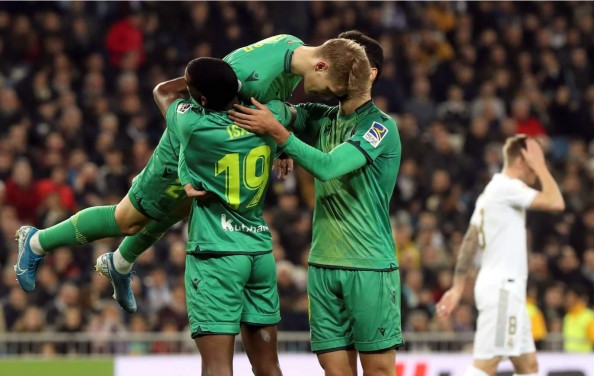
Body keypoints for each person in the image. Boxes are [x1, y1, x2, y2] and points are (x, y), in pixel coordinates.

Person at [14, 34, 367, 313]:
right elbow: (174, 91)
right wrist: (184, 167)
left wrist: (278, 144)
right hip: (190, 144)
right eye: (334, 90)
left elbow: (263, 113)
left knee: (183, 209)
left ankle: (119, 263)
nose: (332, 98)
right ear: (321, 65)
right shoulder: (248, 75)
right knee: (128, 220)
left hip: (219, 147)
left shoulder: (292, 47)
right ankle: (36, 241)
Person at [228, 31, 402, 376]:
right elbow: (276, 111)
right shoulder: (322, 118)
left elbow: (328, 166)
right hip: (322, 264)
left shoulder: (379, 127)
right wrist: (278, 141)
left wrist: (281, 137)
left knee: (379, 371)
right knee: (334, 372)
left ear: (369, 73)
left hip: (369, 265)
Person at [157, 57, 300, 376]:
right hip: (259, 253)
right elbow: (292, 114)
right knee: (268, 365)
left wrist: (196, 82)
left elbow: (163, 91)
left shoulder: (195, 125)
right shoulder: (269, 115)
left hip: (216, 254)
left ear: (203, 98)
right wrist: (285, 146)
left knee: (218, 366)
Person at [436, 136, 565, 376]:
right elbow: (556, 202)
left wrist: (457, 287)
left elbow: (470, 240)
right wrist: (541, 166)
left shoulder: (490, 192)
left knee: (529, 366)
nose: (535, 174)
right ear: (520, 161)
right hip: (503, 289)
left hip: (504, 289)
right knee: (485, 364)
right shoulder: (507, 187)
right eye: (532, 165)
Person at [562, 283, 594, 353]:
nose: (568, 299)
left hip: (584, 358)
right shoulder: (567, 317)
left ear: (578, 298)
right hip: (568, 356)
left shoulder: (590, 317)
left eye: (571, 296)